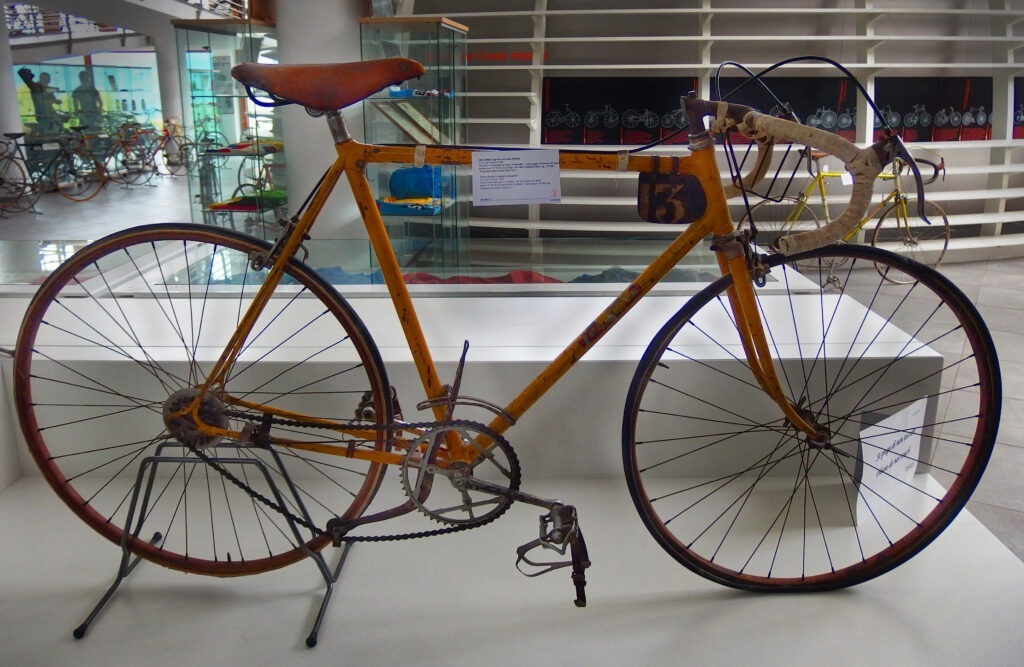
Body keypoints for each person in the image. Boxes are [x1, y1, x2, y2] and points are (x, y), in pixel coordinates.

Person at [17, 68, 65, 136]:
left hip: (50, 113)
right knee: (46, 132)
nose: (47, 81)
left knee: (57, 128)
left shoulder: (48, 89)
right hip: (42, 114)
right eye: (46, 79)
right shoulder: (35, 86)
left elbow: (55, 96)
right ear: (41, 78)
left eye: (48, 80)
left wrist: (56, 100)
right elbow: (25, 77)